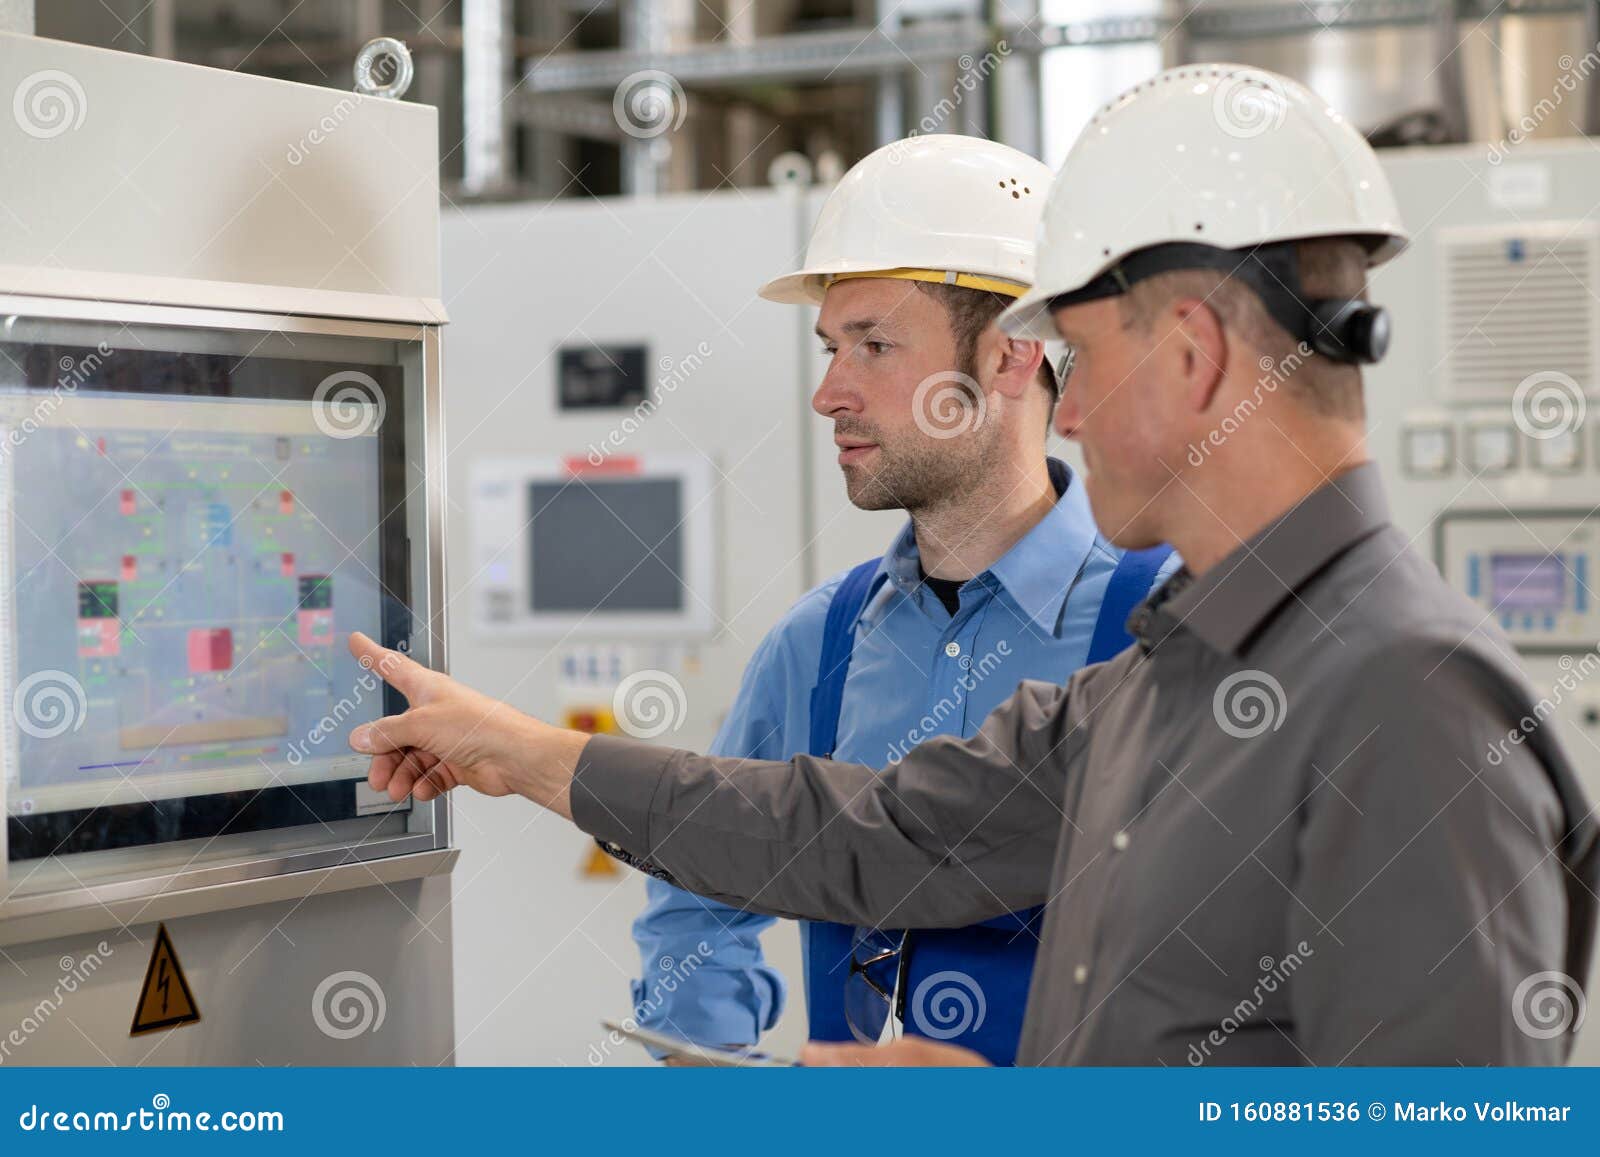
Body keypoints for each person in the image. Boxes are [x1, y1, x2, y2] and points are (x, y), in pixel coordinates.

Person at [347, 65, 1599, 1066]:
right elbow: (867, 833)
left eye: (1083, 357)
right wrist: (522, 749)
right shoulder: (1172, 672)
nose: (1064, 411)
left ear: (1194, 356)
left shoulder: (1406, 698)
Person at [630, 134, 1176, 1065]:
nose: (829, 393)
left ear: (1010, 357)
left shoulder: (1165, 625)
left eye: (874, 345)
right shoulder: (819, 644)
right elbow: (695, 895)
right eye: (831, 346)